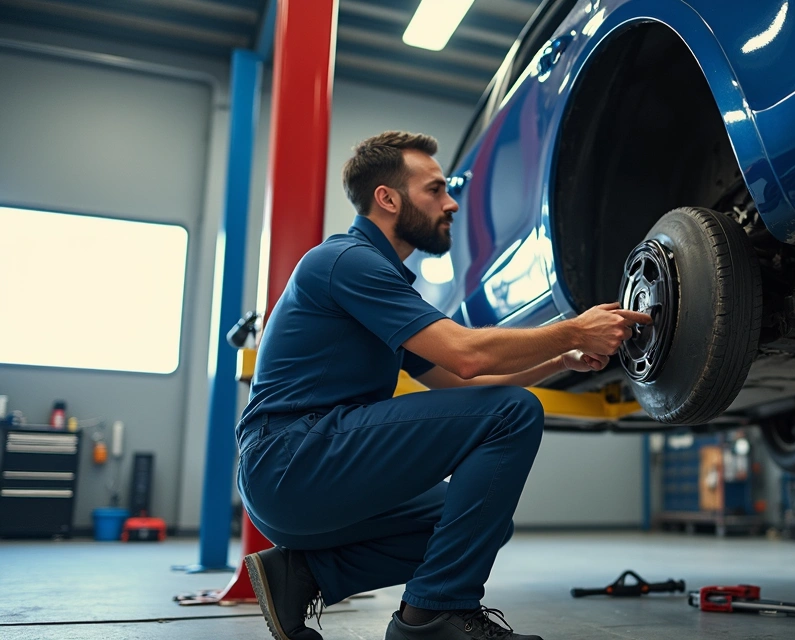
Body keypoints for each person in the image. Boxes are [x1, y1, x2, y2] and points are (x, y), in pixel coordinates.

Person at [237, 131, 651, 640]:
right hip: (290, 458)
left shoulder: (378, 278)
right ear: (387, 199)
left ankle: (301, 576)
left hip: (305, 470)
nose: (451, 202)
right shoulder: (346, 261)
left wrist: (561, 356)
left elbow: (456, 378)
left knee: (482, 522)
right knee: (512, 413)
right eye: (435, 190)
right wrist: (573, 328)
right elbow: (468, 356)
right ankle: (433, 616)